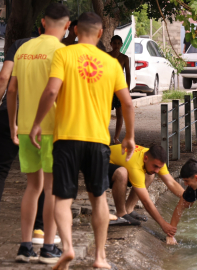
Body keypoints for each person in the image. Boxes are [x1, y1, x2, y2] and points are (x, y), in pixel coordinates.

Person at [29, 11, 135, 270]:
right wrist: (129, 136)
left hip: (66, 138)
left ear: (75, 31)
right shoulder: (111, 63)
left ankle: (66, 248)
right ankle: (100, 258)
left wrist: (36, 123)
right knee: (98, 198)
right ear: (100, 34)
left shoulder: (63, 54)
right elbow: (128, 103)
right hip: (98, 140)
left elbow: (52, 90)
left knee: (62, 197)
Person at [7, 3, 70, 264]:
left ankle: (24, 247)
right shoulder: (63, 52)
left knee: (32, 187)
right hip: (53, 129)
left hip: (24, 128)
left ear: (43, 22)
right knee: (52, 189)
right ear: (67, 27)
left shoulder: (23, 49)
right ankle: (47, 248)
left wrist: (13, 124)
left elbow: (11, 90)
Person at [0, 23, 61, 247]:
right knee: (47, 181)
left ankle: (28, 241)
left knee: (6, 172)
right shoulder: (59, 49)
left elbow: (5, 79)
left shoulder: (18, 46)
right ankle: (41, 232)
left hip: (14, 116)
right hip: (45, 123)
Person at [108, 144, 183, 237]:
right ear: (145, 158)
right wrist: (163, 224)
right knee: (122, 173)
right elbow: (145, 201)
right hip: (98, 163)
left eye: (159, 167)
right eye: (155, 166)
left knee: (150, 174)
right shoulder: (135, 166)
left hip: (119, 162)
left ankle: (129, 209)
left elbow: (171, 182)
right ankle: (121, 214)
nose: (157, 170)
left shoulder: (155, 158)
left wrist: (187, 197)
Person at [108, 35, 131, 144]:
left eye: (118, 43)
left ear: (121, 45)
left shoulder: (124, 58)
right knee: (105, 113)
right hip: (107, 87)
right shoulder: (106, 56)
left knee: (119, 113)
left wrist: (127, 89)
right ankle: (103, 134)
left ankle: (116, 137)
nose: (116, 45)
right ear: (111, 44)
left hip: (119, 88)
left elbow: (128, 74)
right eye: (114, 43)